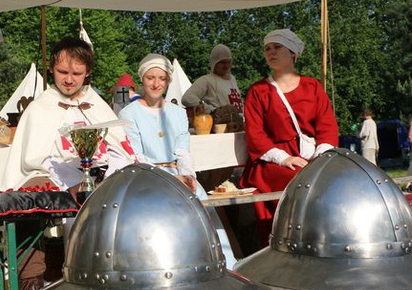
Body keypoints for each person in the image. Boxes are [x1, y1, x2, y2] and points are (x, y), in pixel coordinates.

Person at [0, 37, 135, 290]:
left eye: (77, 73)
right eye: (63, 72)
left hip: (101, 184)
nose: (69, 79)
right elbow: (33, 160)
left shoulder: (98, 105)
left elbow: (121, 148)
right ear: (51, 68)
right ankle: (46, 286)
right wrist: (68, 182)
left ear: (88, 73)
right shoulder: (40, 109)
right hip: (54, 183)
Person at [119, 53, 237, 265]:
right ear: (142, 79)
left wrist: (188, 175)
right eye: (150, 78)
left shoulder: (177, 113)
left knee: (201, 205)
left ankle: (220, 263)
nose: (156, 84)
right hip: (148, 178)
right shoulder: (129, 114)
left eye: (162, 78)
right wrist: (170, 180)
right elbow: (137, 156)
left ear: (168, 81)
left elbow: (183, 150)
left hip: (179, 174)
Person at [240, 29, 339, 246]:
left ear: (293, 52)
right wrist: (283, 158)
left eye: (277, 47)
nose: (271, 52)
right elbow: (255, 133)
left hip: (312, 155)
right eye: (267, 49)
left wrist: (320, 156)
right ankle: (296, 242)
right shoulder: (258, 91)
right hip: (273, 163)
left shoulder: (312, 86)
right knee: (299, 181)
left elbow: (327, 125)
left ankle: (331, 238)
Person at [181, 43, 244, 191]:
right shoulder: (207, 80)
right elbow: (187, 97)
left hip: (237, 126)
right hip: (220, 128)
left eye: (228, 61)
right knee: (220, 166)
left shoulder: (232, 79)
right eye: (222, 62)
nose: (226, 65)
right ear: (214, 63)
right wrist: (211, 110)